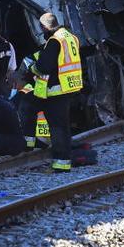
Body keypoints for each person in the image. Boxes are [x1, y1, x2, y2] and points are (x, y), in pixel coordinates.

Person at [22, 13, 87, 172]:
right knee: (60, 125)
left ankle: (61, 163)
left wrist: (31, 69)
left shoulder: (54, 41)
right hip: (67, 87)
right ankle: (32, 146)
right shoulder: (70, 37)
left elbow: (43, 67)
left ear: (44, 27)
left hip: (55, 91)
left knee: (57, 128)